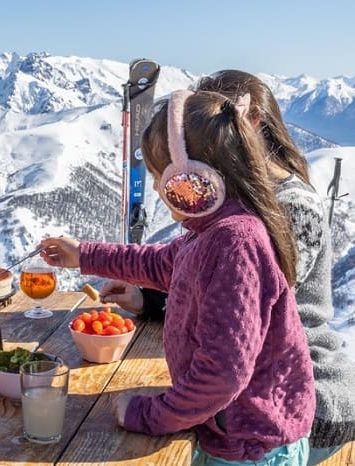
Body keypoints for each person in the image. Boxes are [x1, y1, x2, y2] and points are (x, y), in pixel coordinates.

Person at [40, 89, 316, 465]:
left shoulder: (233, 241)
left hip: (248, 447)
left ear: (191, 176)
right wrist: (84, 255)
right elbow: (162, 264)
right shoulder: (213, 231)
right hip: (231, 431)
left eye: (160, 177)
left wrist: (149, 415)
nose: (156, 188)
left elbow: (224, 373)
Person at [103, 69, 355, 466]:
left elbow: (236, 313)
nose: (159, 189)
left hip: (296, 399)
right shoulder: (228, 216)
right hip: (250, 404)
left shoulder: (267, 219)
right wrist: (130, 286)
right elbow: (185, 269)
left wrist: (150, 413)